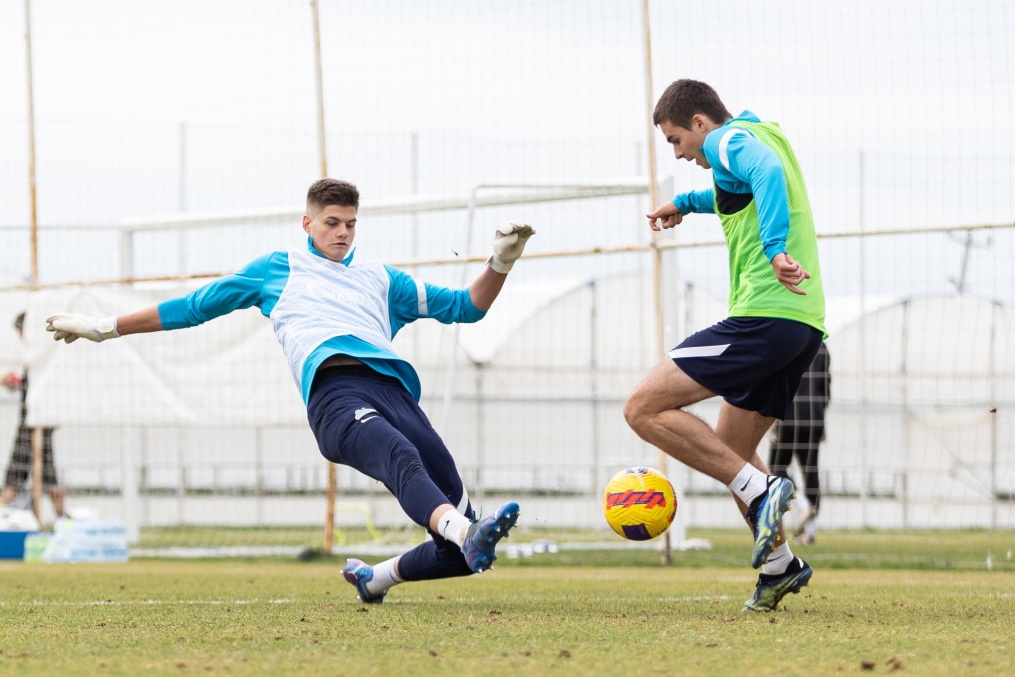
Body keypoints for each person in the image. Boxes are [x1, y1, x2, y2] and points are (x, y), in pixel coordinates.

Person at [45, 178, 535, 603]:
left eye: (350, 224)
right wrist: (104, 327)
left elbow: (467, 307)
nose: (342, 232)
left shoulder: (383, 279)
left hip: (396, 395)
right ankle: (464, 529)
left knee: (465, 558)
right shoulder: (275, 270)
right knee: (400, 455)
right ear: (307, 223)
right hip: (335, 396)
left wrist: (500, 261)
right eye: (332, 222)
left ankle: (376, 579)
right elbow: (193, 307)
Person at [623, 79, 827, 612]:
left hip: (763, 315)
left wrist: (776, 249)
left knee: (643, 408)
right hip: (801, 326)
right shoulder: (761, 133)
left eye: (674, 140)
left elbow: (762, 170)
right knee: (729, 452)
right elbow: (738, 191)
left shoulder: (729, 140)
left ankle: (763, 491)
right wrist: (685, 204)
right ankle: (782, 566)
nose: (678, 152)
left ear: (698, 123)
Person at [2, 312, 65, 518]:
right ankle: (62, 521)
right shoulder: (38, 355)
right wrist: (15, 383)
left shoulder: (41, 355)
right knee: (47, 477)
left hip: (33, 424)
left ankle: (62, 521)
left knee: (15, 479)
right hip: (37, 422)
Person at [768, 341, 830, 546]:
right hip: (814, 418)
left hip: (788, 415)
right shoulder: (821, 346)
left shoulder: (785, 342)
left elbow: (774, 381)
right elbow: (825, 388)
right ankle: (809, 533)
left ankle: (803, 504)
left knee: (776, 467)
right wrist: (821, 417)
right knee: (811, 471)